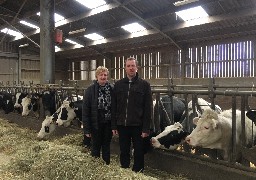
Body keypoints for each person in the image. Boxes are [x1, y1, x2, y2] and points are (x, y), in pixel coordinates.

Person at [111, 57, 152, 172]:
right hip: (122, 125)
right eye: (128, 66)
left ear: (136, 68)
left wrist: (146, 128)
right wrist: (114, 125)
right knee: (124, 150)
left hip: (137, 125)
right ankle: (124, 171)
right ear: (125, 68)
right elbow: (114, 106)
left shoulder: (144, 85)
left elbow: (148, 108)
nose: (131, 68)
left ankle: (137, 172)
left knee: (139, 150)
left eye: (133, 66)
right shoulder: (118, 85)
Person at [82, 66, 113, 165]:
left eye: (105, 75)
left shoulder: (112, 89)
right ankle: (95, 167)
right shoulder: (90, 90)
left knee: (106, 147)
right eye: (101, 75)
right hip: (96, 124)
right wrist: (87, 129)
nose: (103, 77)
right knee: (95, 147)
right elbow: (86, 111)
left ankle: (106, 166)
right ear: (96, 76)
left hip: (108, 123)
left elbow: (115, 107)